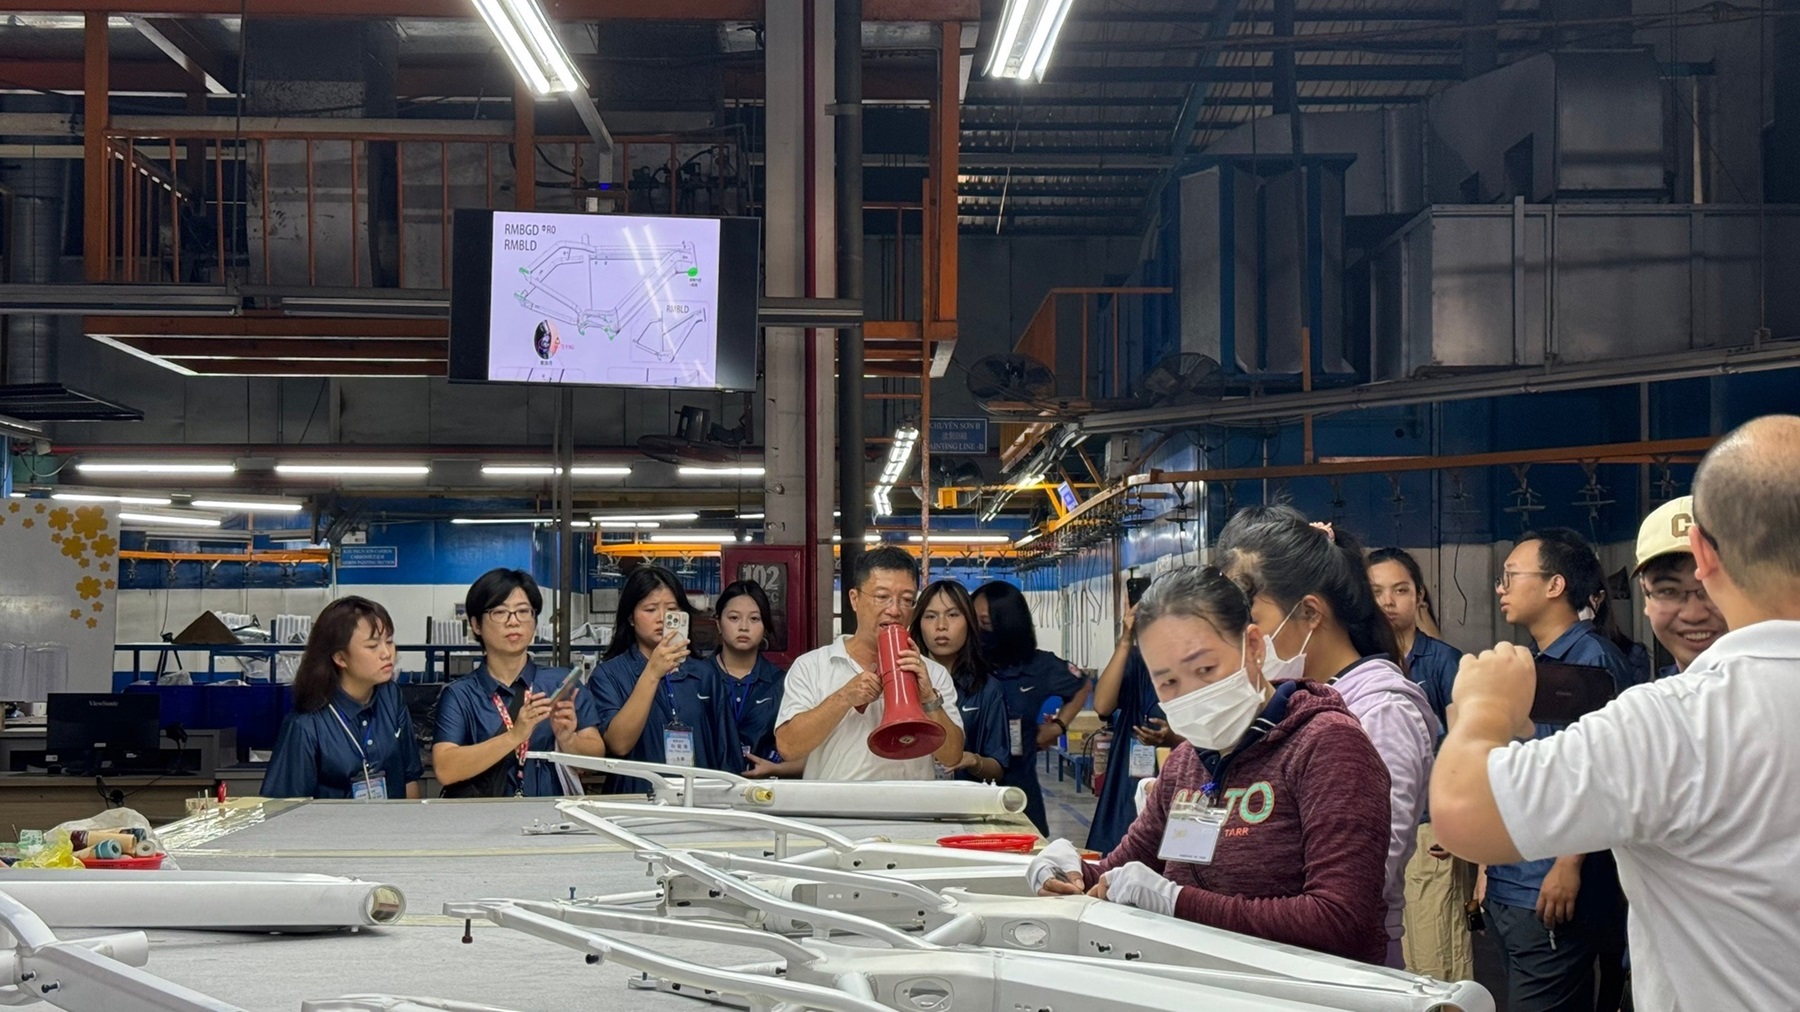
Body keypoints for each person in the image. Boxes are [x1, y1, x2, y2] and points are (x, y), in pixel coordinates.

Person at [1432, 415, 1800, 1012]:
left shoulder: (1673, 722)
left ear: (1706, 554)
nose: (1690, 611)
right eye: (1665, 591)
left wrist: (1481, 709)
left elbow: (1464, 812)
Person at [1029, 567, 1392, 964]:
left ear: (1253, 646)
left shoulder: (1326, 746)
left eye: (1205, 670)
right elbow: (1126, 867)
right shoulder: (1188, 763)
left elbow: (1340, 919)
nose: (1190, 694)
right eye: (1167, 682)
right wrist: (1067, 873)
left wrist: (1178, 903)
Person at [1217, 507, 1437, 969]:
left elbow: (1367, 874)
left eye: (1250, 616)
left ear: (1310, 612)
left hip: (1338, 965)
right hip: (1270, 949)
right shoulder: (1288, 700)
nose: (1243, 636)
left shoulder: (1382, 710)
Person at [1481, 527, 1638, 1012]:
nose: (1500, 588)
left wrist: (1569, 863)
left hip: (1548, 886)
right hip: (1516, 880)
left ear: (1554, 586)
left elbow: (1602, 773)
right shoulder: (1538, 662)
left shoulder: (1590, 662)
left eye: (1511, 575)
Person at [1368, 547, 1475, 982]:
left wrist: (1456, 823)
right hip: (1376, 825)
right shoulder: (1359, 664)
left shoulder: (1446, 662)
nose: (1389, 602)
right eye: (1376, 592)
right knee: (1391, 956)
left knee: (1436, 953)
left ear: (1420, 597)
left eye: (1400, 590)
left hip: (1432, 827)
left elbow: (1468, 749)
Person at [774, 547, 964, 780]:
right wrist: (844, 697)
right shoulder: (811, 666)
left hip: (909, 813)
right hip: (836, 813)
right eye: (882, 597)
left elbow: (952, 756)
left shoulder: (933, 673)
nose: (895, 610)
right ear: (854, 599)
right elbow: (788, 747)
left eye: (907, 600)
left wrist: (928, 698)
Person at [432, 568, 595, 797]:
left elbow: (596, 758)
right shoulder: (460, 695)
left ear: (535, 621)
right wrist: (514, 736)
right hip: (481, 824)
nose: (513, 622)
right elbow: (445, 768)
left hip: (552, 817)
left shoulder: (560, 684)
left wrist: (569, 739)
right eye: (500, 612)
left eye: (523, 612)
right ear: (476, 625)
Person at [586, 565, 739, 795]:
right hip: (635, 801)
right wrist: (652, 672)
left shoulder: (705, 674)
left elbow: (727, 753)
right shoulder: (609, 675)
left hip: (699, 802)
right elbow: (619, 744)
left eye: (671, 609)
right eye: (650, 609)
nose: (662, 618)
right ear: (630, 617)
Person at [262, 596, 423, 800]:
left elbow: (409, 777)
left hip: (392, 828)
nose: (387, 653)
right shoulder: (306, 725)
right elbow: (282, 807)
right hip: (330, 830)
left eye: (389, 641)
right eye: (372, 646)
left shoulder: (391, 697)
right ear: (340, 657)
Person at [971, 581, 1093, 836]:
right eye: (973, 619)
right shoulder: (968, 664)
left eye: (984, 622)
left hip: (1019, 786)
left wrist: (1058, 726)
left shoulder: (1040, 666)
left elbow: (1082, 685)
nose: (976, 629)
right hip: (968, 783)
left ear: (1007, 624)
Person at [1085, 604, 1169, 855]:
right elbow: (1102, 705)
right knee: (1117, 860)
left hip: (1169, 784)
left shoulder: (1198, 666)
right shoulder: (1137, 661)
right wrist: (1125, 641)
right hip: (1127, 786)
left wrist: (1173, 738)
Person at [911, 579, 1008, 784]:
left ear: (969, 622)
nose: (941, 626)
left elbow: (998, 769)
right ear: (919, 623)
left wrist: (972, 760)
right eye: (930, 616)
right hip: (912, 799)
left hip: (965, 805)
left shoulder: (987, 688)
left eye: (953, 615)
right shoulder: (903, 682)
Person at [713, 580, 802, 778]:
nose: (744, 627)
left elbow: (808, 754)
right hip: (703, 790)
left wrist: (777, 769)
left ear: (765, 626)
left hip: (764, 794)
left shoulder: (783, 683)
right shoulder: (696, 678)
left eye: (754, 619)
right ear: (718, 623)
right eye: (734, 618)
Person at [1631, 496, 1727, 676]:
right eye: (1669, 591)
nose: (1694, 614)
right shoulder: (1653, 702)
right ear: (1644, 592)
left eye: (1709, 588)